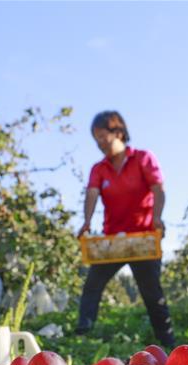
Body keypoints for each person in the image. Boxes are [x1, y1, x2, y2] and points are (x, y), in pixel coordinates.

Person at [75, 111, 175, 348]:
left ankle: (168, 340)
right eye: (96, 139)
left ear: (117, 132)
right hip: (114, 241)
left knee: (152, 293)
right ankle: (81, 333)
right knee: (93, 284)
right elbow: (92, 193)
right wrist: (87, 221)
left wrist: (157, 217)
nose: (99, 144)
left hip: (142, 239)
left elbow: (158, 189)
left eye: (103, 137)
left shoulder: (142, 158)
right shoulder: (99, 169)